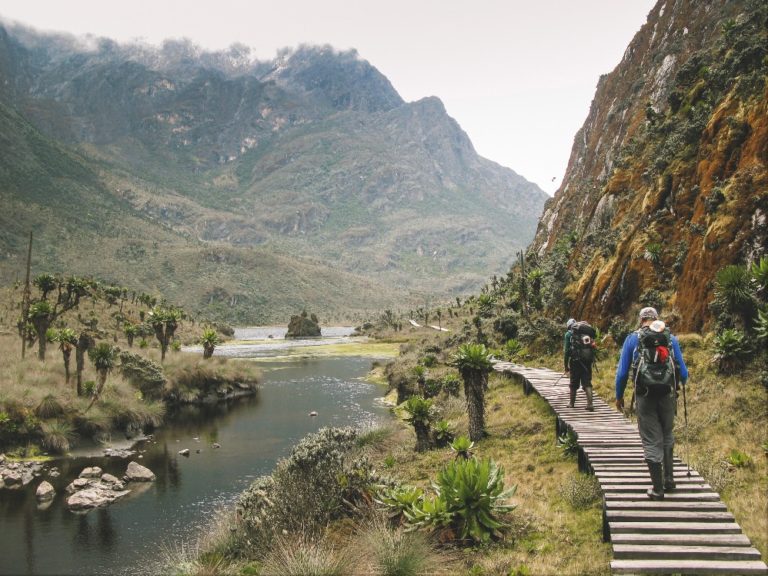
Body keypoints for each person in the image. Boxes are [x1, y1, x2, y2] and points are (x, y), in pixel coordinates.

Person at [615, 307, 689, 500]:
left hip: (645, 396)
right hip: (667, 395)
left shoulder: (633, 339)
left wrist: (619, 396)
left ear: (641, 321)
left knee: (650, 439)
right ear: (656, 319)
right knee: (667, 433)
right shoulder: (669, 338)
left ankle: (657, 489)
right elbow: (684, 374)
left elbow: (622, 373)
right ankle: (669, 480)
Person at [563, 318, 595, 411]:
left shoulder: (569, 334)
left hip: (575, 362)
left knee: (573, 383)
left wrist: (566, 366)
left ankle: (571, 403)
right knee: (587, 382)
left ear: (568, 326)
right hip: (587, 361)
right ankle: (590, 404)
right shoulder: (585, 332)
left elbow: (566, 352)